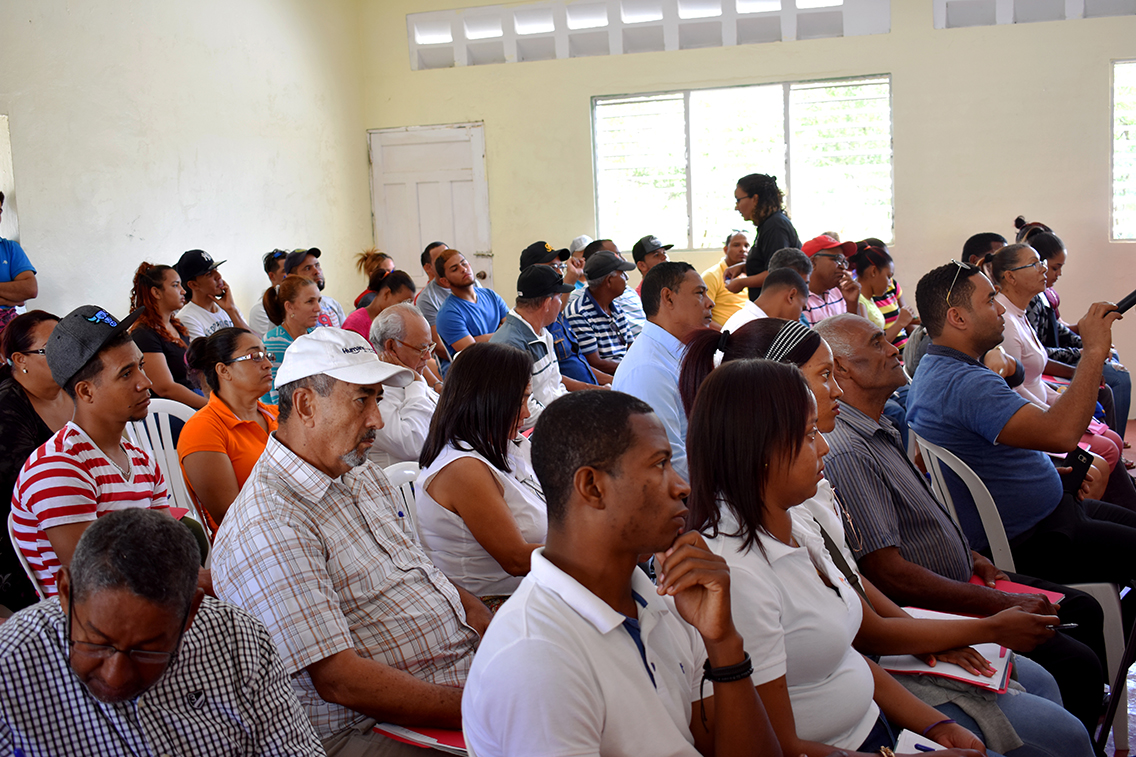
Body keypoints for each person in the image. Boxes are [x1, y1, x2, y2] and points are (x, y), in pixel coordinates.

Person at [687, 359, 1090, 757]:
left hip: (874, 725)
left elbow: (850, 653)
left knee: (1048, 700)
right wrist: (986, 627)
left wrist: (937, 725)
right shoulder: (739, 573)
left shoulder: (797, 520)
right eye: (810, 436)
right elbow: (781, 747)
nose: (825, 444)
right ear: (761, 452)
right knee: (1064, 736)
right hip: (851, 745)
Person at [816, 312, 1111, 737]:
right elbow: (888, 573)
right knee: (1076, 661)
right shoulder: (849, 450)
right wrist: (994, 606)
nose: (894, 347)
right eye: (878, 343)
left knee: (1083, 609)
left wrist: (968, 553)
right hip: (933, 604)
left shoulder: (879, 426)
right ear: (842, 369)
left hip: (964, 572)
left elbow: (914, 521)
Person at [211, 328, 488, 755]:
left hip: (455, 680)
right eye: (362, 399)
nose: (377, 419)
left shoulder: (356, 473)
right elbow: (340, 682)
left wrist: (483, 621)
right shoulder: (271, 520)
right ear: (305, 405)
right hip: (369, 728)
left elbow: (421, 573)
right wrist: (481, 707)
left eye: (377, 398)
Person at [463, 389, 782, 757]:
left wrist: (724, 642)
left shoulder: (659, 596)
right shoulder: (536, 657)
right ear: (593, 487)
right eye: (660, 464)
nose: (682, 486)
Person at [0, 508, 323, 756]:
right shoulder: (10, 665)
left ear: (191, 611)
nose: (115, 676)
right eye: (96, 643)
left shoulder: (238, 638)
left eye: (148, 650)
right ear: (66, 592)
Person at [907, 261, 1136, 598]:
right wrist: (1094, 350)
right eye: (989, 300)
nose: (1000, 307)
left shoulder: (938, 365)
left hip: (1052, 515)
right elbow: (1060, 435)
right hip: (1037, 540)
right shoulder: (965, 384)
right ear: (958, 317)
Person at [9, 305, 170, 597]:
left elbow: (171, 551)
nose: (145, 383)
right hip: (92, 631)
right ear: (85, 392)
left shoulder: (141, 460)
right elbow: (101, 585)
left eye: (142, 366)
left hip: (152, 605)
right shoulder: (57, 468)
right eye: (126, 374)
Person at [989, 243, 1136, 511]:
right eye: (1034, 264)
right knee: (1109, 449)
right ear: (1010, 277)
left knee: (1112, 439)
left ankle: (1120, 507)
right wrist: (1058, 413)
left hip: (1042, 405)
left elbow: (1035, 378)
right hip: (1033, 418)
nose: (1043, 269)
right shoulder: (1005, 321)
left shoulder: (1020, 313)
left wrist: (1061, 400)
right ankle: (1099, 512)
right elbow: (1014, 391)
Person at [417, 343, 547, 604]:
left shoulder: (505, 444)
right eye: (519, 400)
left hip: (533, 587)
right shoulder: (463, 469)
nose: (526, 413)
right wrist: (594, 550)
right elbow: (517, 559)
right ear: (488, 399)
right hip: (494, 601)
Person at [612, 262, 713, 483]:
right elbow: (670, 464)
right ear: (668, 298)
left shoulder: (678, 353)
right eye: (699, 293)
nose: (710, 302)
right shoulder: (649, 370)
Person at [1025, 231, 1131, 439]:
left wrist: (1091, 343)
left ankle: (1114, 439)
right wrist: (1083, 352)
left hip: (1061, 358)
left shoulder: (1045, 295)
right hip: (1051, 366)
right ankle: (1114, 440)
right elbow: (1039, 353)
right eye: (1055, 268)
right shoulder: (1030, 301)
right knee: (1118, 379)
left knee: (1113, 358)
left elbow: (1060, 330)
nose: (1058, 274)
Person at [0, 311, 71, 611]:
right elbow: (21, 491)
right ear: (20, 359)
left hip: (81, 506)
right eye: (49, 350)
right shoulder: (8, 408)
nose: (63, 356)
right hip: (28, 532)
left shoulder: (75, 388)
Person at [178, 328, 277, 536]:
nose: (268, 364)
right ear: (223, 370)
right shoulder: (203, 429)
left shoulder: (279, 414)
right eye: (255, 357)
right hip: (253, 542)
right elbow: (231, 517)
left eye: (267, 355)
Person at [519, 240, 610, 388]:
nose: (560, 272)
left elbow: (579, 362)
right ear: (532, 272)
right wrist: (599, 390)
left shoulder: (556, 315)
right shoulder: (534, 320)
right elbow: (550, 378)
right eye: (553, 267)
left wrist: (613, 381)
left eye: (560, 266)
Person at [490, 265, 575, 416]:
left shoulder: (543, 333)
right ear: (547, 303)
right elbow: (521, 412)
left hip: (553, 418)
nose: (562, 303)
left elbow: (556, 385)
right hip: (532, 430)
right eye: (560, 297)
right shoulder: (510, 347)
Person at [367, 303, 442, 468]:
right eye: (421, 348)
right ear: (391, 347)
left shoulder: (413, 380)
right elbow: (414, 445)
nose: (428, 356)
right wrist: (416, 382)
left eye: (430, 347)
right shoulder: (375, 392)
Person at [128, 262, 206, 409]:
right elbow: (165, 388)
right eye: (176, 285)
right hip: (172, 410)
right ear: (156, 293)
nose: (183, 291)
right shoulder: (144, 334)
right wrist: (211, 406)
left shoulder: (177, 326)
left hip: (194, 399)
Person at [565, 249, 638, 374]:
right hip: (607, 380)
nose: (627, 278)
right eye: (622, 274)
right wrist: (633, 369)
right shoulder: (579, 313)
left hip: (626, 371)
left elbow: (632, 348)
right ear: (609, 281)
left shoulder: (616, 309)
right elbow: (595, 363)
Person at [733, 173, 800, 301]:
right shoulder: (767, 225)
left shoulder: (775, 226)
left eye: (738, 200)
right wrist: (744, 267)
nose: (737, 207)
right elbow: (767, 263)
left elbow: (777, 274)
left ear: (755, 199)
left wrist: (742, 282)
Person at [434, 248, 509, 356]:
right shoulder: (448, 313)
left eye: (464, 264)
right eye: (455, 269)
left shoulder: (490, 295)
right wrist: (502, 332)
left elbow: (514, 329)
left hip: (503, 358)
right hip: (476, 369)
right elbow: (473, 352)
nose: (463, 269)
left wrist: (478, 339)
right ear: (445, 281)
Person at [567, 239, 647, 336]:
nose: (624, 259)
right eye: (616, 255)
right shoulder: (579, 302)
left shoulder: (627, 293)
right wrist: (570, 278)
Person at [262, 274, 321, 404]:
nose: (318, 308)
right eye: (310, 301)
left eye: (318, 300)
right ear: (289, 307)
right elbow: (278, 399)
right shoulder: (274, 342)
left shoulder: (315, 335)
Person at [174, 249, 250, 342]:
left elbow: (254, 342)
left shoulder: (228, 308)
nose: (219, 276)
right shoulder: (186, 318)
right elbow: (206, 356)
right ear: (193, 285)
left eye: (216, 270)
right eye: (209, 274)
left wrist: (231, 310)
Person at [849, 243, 915, 345]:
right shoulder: (859, 302)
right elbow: (870, 345)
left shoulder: (869, 299)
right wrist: (900, 322)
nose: (890, 283)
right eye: (888, 276)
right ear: (874, 271)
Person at [721, 267, 809, 334]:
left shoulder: (749, 319)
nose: (798, 319)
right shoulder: (752, 327)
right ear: (791, 296)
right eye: (802, 308)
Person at [801, 234, 862, 326]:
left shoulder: (838, 292)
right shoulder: (800, 300)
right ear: (812, 262)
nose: (842, 267)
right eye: (837, 259)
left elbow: (857, 335)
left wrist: (852, 304)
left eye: (844, 262)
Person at [341, 268, 416, 340]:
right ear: (387, 294)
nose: (404, 309)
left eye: (408, 304)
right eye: (401, 303)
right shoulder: (356, 323)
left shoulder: (393, 322)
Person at [0, 191, 37, 332]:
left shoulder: (10, 248)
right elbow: (20, 299)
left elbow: (30, 289)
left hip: (8, 332)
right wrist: (10, 299)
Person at [283, 247, 347, 328]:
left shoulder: (332, 304)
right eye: (308, 268)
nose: (317, 272)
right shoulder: (287, 310)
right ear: (292, 277)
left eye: (317, 265)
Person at [703, 230, 750, 327]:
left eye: (746, 246)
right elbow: (700, 316)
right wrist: (726, 336)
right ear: (725, 249)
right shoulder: (711, 276)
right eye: (736, 245)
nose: (743, 249)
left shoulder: (751, 276)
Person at [249, 249, 289, 337]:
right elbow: (266, 346)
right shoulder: (260, 310)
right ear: (272, 276)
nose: (292, 275)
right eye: (286, 270)